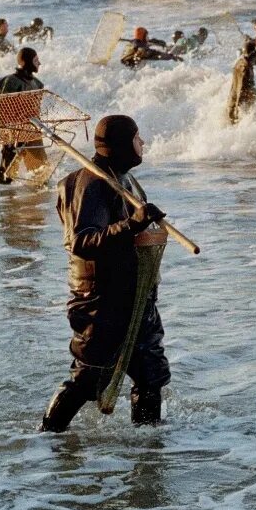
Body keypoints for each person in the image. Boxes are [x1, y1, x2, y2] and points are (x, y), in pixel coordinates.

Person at [41, 114, 171, 431]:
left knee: (150, 373)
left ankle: (148, 449)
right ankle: (47, 438)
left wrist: (143, 222)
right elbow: (82, 242)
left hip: (135, 298)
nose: (142, 143)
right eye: (137, 138)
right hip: (101, 303)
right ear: (120, 146)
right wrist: (133, 223)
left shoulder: (123, 179)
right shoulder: (92, 185)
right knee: (88, 378)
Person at [0, 47, 47, 184]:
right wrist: (8, 139)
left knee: (41, 176)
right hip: (14, 132)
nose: (39, 63)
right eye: (36, 60)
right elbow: (1, 110)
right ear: (26, 62)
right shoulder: (11, 82)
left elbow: (36, 110)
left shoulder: (38, 83)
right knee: (6, 179)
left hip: (32, 130)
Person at [227, 37, 256, 123]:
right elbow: (241, 92)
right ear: (252, 54)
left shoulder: (240, 62)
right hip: (238, 109)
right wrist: (237, 113)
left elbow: (247, 59)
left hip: (234, 104)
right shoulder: (244, 68)